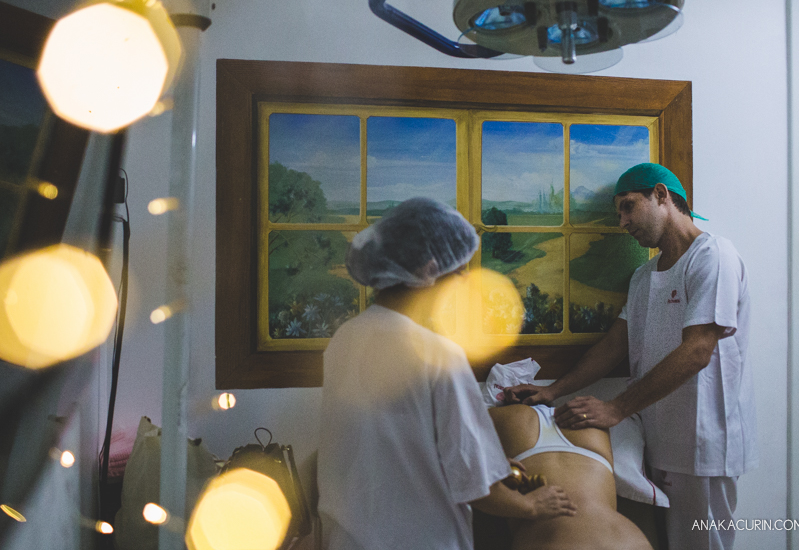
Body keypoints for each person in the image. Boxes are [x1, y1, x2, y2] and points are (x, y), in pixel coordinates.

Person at [504, 163, 757, 550]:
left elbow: (697, 350)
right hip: (660, 435)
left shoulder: (713, 256)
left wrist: (616, 408)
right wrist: (553, 391)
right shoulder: (644, 276)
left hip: (704, 438)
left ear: (661, 195)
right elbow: (613, 346)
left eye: (628, 207)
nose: (622, 222)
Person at [317, 197, 576, 550]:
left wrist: (489, 459)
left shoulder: (345, 340)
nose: (466, 279)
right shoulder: (438, 354)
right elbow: (477, 488)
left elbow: (392, 439)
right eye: (459, 269)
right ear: (427, 270)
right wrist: (532, 505)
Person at [480, 402, 653, 550]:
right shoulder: (592, 422)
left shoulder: (500, 416)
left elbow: (466, 479)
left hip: (559, 537)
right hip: (624, 538)